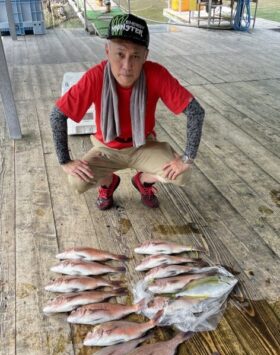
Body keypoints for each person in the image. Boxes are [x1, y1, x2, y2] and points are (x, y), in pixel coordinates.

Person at [50, 13, 205, 210]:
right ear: (107, 51)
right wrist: (65, 161)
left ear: (145, 56)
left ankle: (144, 182)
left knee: (183, 174)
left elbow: (196, 112)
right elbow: (57, 114)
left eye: (135, 56)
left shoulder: (155, 74)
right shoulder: (96, 77)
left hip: (143, 144)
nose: (127, 66)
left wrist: (187, 158)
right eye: (120, 54)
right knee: (76, 181)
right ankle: (108, 183)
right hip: (106, 147)